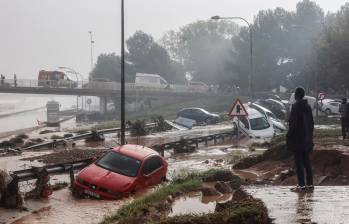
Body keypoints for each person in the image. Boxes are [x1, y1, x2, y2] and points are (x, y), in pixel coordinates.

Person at [287, 87, 314, 192]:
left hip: (297, 139)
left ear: (296, 95)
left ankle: (301, 186)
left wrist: (289, 136)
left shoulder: (295, 107)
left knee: (299, 163)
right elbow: (311, 124)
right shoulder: (307, 107)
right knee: (307, 162)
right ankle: (310, 184)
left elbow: (293, 124)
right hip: (307, 139)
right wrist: (310, 137)